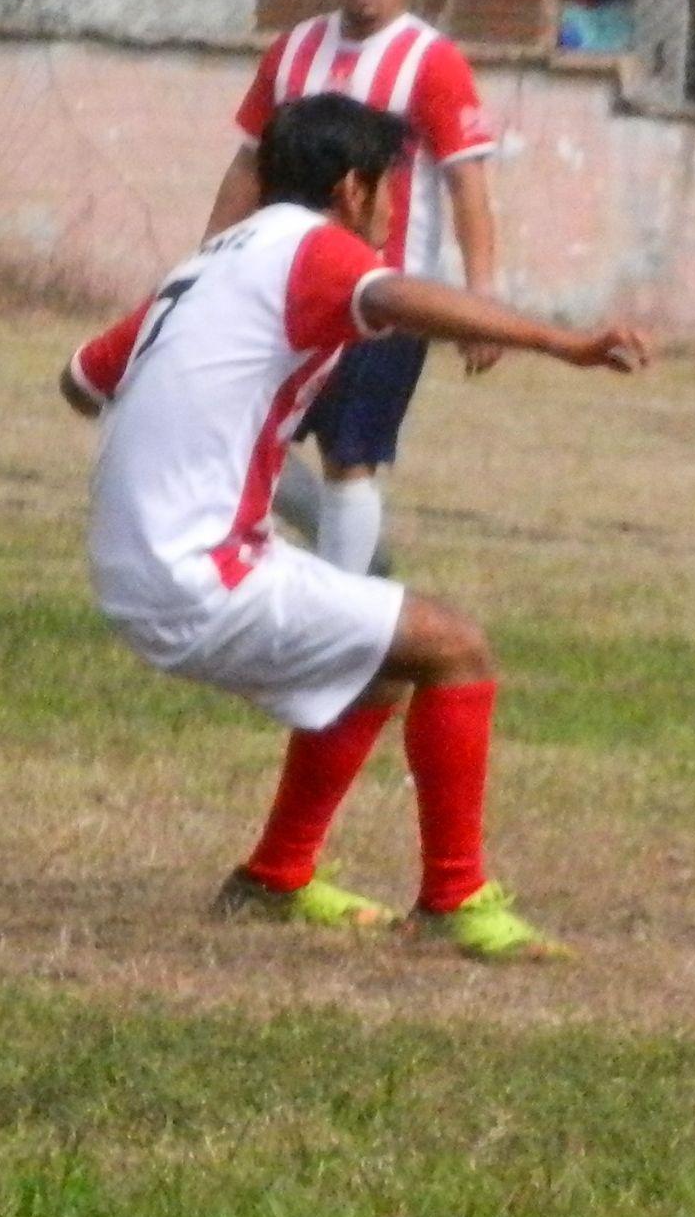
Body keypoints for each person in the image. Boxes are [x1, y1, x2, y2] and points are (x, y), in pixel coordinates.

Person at [66, 95, 650, 960]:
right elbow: (399, 296)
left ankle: (276, 876)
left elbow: (81, 382)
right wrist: (561, 341)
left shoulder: (212, 264)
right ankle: (455, 899)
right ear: (351, 188)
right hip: (195, 576)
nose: (390, 213)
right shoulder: (312, 248)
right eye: (391, 193)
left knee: (382, 657)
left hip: (137, 564)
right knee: (456, 646)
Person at [209, 0, 501, 580]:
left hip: (383, 296)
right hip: (282, 283)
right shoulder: (292, 52)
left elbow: (468, 189)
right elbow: (249, 163)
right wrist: (211, 256)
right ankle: (330, 559)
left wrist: (481, 302)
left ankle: (342, 606)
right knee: (233, 428)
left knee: (350, 458)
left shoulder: (432, 63)